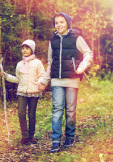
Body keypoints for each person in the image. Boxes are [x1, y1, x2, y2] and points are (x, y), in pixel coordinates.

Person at [38, 12, 93, 153]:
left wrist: (82, 66)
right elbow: (50, 62)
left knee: (70, 110)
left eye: (62, 22)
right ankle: (55, 140)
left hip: (72, 79)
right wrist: (45, 80)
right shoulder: (53, 41)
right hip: (56, 80)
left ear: (68, 23)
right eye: (56, 22)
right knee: (56, 110)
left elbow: (88, 53)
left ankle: (70, 136)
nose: (59, 25)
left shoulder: (77, 37)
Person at [2, 39, 45, 145]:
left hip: (34, 91)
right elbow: (18, 79)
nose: (25, 50)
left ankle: (31, 136)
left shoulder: (37, 63)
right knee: (21, 113)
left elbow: (43, 76)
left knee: (31, 114)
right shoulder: (20, 64)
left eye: (27, 48)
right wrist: (6, 76)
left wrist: (39, 83)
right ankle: (24, 136)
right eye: (23, 48)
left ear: (32, 50)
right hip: (22, 92)